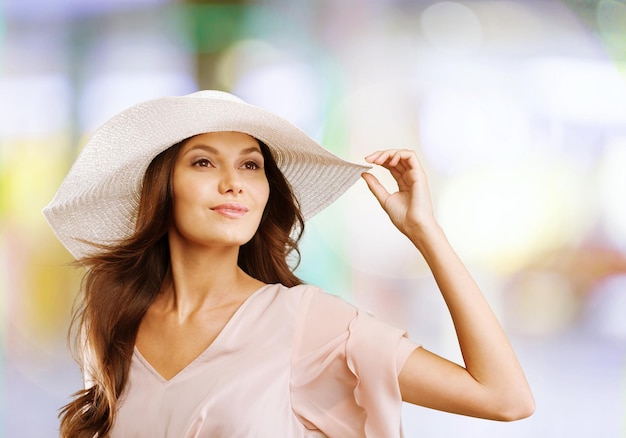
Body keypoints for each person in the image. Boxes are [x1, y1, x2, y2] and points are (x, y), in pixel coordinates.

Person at [44, 90, 534, 438]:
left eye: (251, 164)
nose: (234, 182)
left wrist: (426, 233)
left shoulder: (306, 322)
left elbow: (504, 398)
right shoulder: (113, 316)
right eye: (203, 162)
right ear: (162, 188)